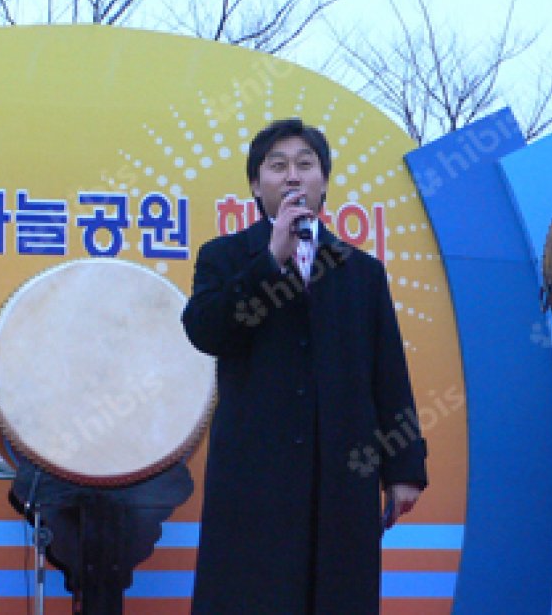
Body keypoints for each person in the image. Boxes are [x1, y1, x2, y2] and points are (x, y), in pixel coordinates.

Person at [181, 117, 428, 614]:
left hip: (342, 475)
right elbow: (206, 331)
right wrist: (270, 260)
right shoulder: (225, 258)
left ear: (323, 181)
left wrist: (405, 467)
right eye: (277, 166)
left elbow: (388, 374)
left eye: (304, 164)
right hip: (254, 480)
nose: (292, 176)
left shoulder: (360, 271)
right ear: (256, 184)